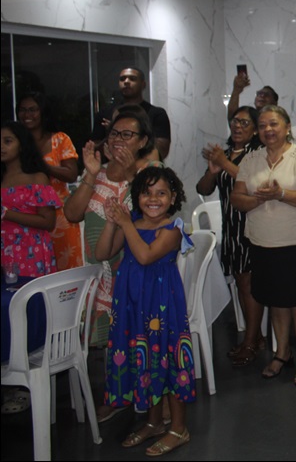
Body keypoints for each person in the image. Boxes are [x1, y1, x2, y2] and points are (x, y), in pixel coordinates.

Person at [95, 166, 194, 455]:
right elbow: (102, 253)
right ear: (137, 196)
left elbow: (145, 256)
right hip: (133, 306)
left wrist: (126, 223)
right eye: (146, 193)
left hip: (161, 307)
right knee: (146, 359)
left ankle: (178, 428)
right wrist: (113, 223)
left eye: (161, 193)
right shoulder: (133, 225)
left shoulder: (173, 229)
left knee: (168, 359)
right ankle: (154, 422)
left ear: (173, 198)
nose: (153, 199)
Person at [232, 105, 296, 384]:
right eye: (262, 126)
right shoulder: (251, 159)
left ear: (287, 127)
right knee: (275, 301)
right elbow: (237, 198)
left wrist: (281, 193)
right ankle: (282, 353)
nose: (268, 130)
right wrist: (258, 199)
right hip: (262, 242)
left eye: (273, 124)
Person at [64, 108, 159, 349]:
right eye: (114, 133)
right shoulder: (99, 170)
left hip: (133, 269)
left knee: (133, 342)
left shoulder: (153, 171)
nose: (118, 139)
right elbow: (72, 214)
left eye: (127, 134)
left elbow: (152, 214)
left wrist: (130, 174)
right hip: (96, 268)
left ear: (143, 141)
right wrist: (91, 174)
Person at [196, 106, 263, 368]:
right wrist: (213, 170)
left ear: (255, 130)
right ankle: (255, 337)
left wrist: (224, 164)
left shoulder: (257, 154)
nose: (237, 126)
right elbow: (203, 188)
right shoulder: (223, 155)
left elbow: (255, 184)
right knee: (241, 282)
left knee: (249, 284)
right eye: (235, 121)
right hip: (231, 227)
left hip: (252, 225)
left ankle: (251, 341)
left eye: (245, 123)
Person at [16, 92, 83, 269]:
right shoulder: (13, 143)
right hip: (25, 217)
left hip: (60, 216)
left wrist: (41, 165)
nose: (27, 114)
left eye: (33, 110)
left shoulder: (60, 139)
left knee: (64, 275)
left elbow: (71, 174)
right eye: (22, 110)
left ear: (43, 112)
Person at [1, 120, 60, 280]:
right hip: (3, 250)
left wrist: (6, 214)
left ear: (21, 145)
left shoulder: (37, 178)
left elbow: (48, 222)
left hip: (30, 250)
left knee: (28, 294)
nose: (1, 146)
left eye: (7, 141)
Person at [89, 67, 171, 160]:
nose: (126, 82)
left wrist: (134, 133)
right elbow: (94, 151)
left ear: (143, 84)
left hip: (144, 167)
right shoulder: (105, 114)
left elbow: (162, 151)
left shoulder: (157, 114)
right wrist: (111, 134)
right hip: (110, 167)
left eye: (132, 79)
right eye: (122, 79)